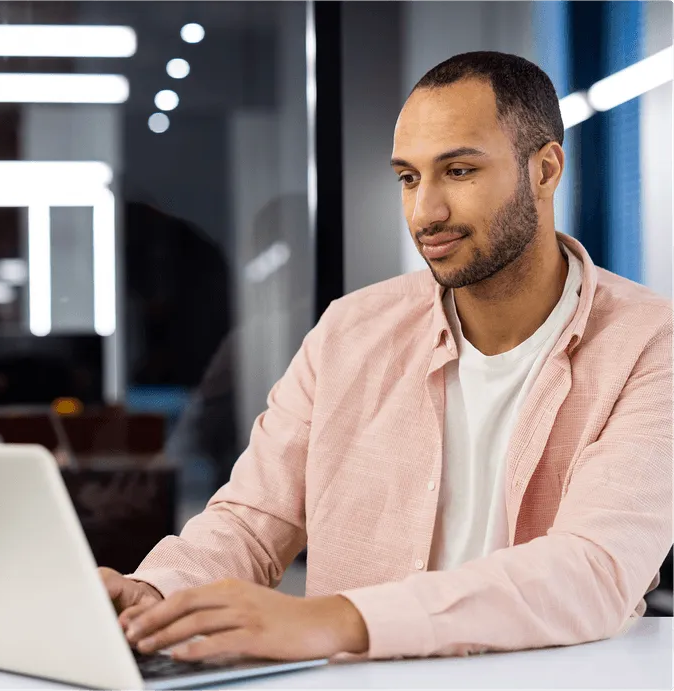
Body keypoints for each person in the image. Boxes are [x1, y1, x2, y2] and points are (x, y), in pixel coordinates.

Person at [99, 51, 673, 663]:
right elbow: (250, 520)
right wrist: (154, 593)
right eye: (408, 177)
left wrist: (335, 620)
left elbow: (595, 569)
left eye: (458, 171)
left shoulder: (649, 342)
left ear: (545, 169)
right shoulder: (351, 331)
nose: (426, 212)